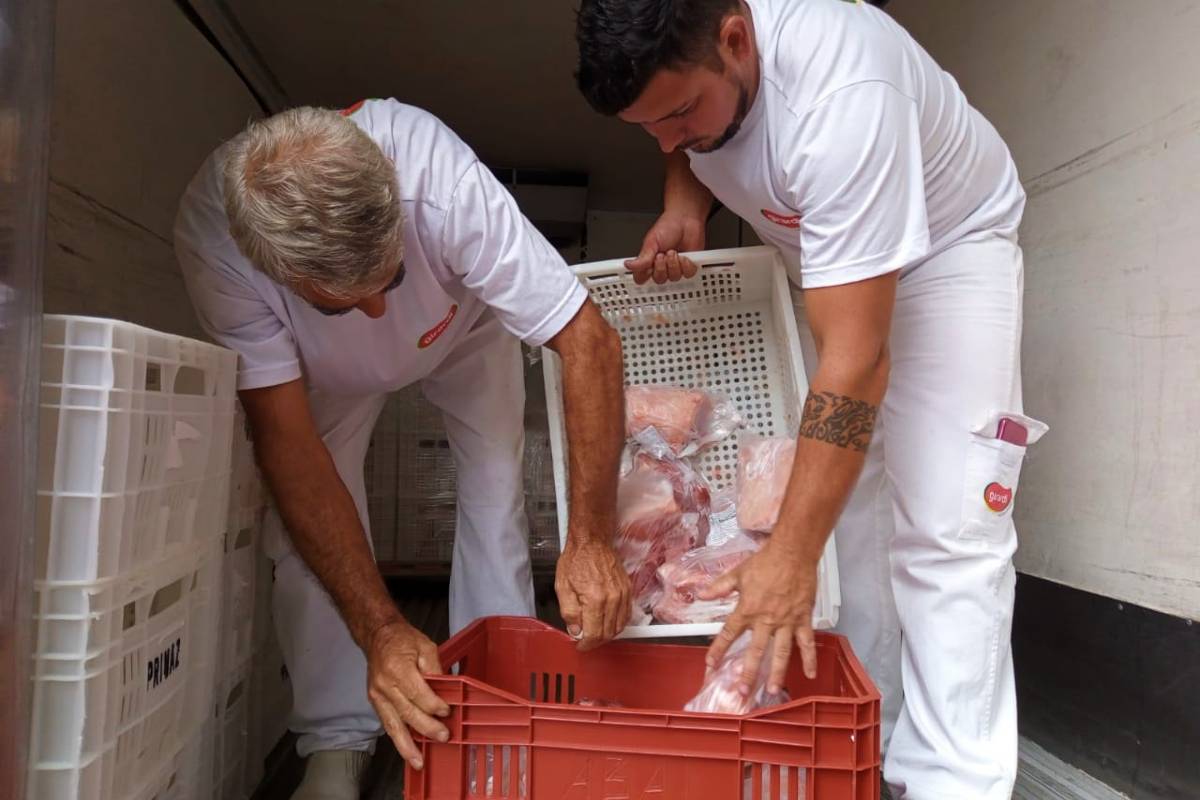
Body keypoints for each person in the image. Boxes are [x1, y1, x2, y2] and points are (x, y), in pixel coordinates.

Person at [575, 1, 1047, 798]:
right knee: (849, 516)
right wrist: (686, 198)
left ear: (736, 39)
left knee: (947, 523)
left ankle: (952, 782)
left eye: (682, 113)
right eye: (648, 127)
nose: (667, 139)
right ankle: (874, 740)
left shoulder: (843, 94)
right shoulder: (697, 78)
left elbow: (857, 364)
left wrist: (787, 561)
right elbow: (684, 123)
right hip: (832, 256)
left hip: (947, 248)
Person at [174, 100, 631, 800]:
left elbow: (587, 338)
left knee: (493, 478)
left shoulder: (436, 178)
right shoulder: (216, 242)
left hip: (463, 323)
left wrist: (592, 539)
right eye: (340, 303)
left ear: (394, 189)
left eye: (388, 280)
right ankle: (334, 740)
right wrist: (383, 629)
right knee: (307, 520)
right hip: (322, 374)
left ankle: (494, 706)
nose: (378, 316)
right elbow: (289, 450)